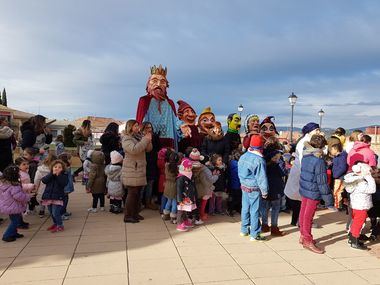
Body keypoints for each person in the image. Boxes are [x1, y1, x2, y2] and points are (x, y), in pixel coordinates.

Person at [299, 135, 332, 254]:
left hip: (305, 188)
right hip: (313, 191)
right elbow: (322, 182)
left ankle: (303, 236)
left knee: (303, 213)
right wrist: (329, 200)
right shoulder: (319, 160)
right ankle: (307, 239)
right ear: (322, 146)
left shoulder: (306, 155)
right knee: (308, 216)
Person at [284, 122, 321, 226]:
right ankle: (301, 221)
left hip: (301, 171)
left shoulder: (307, 140)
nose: (318, 132)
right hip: (302, 171)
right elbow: (303, 159)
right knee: (302, 199)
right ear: (310, 131)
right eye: (316, 130)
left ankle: (298, 221)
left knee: (300, 199)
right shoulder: (305, 142)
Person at [238, 134, 268, 241]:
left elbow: (239, 172)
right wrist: (265, 191)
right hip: (254, 188)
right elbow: (261, 178)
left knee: (245, 208)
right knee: (255, 210)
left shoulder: (243, 156)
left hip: (244, 186)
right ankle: (255, 234)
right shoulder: (259, 160)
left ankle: (244, 229)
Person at [121, 120, 152, 223]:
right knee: (132, 193)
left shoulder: (138, 137)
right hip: (132, 169)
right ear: (130, 127)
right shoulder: (126, 138)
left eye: (138, 125)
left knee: (138, 193)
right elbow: (134, 150)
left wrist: (148, 140)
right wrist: (144, 140)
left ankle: (135, 213)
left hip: (139, 169)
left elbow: (148, 149)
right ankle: (128, 215)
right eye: (135, 125)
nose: (138, 127)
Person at [344, 163, 376, 250]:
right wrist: (369, 177)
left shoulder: (355, 181)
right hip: (361, 206)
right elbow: (372, 189)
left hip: (356, 205)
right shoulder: (361, 183)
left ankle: (352, 238)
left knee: (355, 222)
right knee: (358, 223)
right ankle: (355, 241)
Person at [0, 165, 31, 242]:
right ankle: (7, 235)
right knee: (15, 221)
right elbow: (19, 196)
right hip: (14, 206)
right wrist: (28, 197)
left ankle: (14, 233)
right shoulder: (14, 186)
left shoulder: (3, 184)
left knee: (14, 219)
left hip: (7, 206)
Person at [260, 148, 286, 236]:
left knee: (265, 208)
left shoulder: (263, 165)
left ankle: (264, 225)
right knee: (275, 209)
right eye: (277, 157)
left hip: (265, 189)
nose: (278, 159)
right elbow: (283, 173)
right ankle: (274, 227)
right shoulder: (276, 165)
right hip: (276, 190)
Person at [191, 148, 218, 221]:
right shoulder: (204, 169)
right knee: (203, 202)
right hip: (203, 188)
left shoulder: (190, 166)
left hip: (193, 188)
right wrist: (216, 176)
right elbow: (211, 179)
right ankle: (201, 215)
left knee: (196, 202)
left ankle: (194, 216)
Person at [41, 160, 69, 233]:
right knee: (51, 212)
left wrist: (58, 175)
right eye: (55, 167)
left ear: (62, 169)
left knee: (55, 212)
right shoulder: (50, 175)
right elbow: (44, 180)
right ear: (52, 168)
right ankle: (55, 223)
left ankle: (60, 225)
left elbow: (63, 183)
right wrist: (51, 175)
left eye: (59, 167)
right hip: (48, 197)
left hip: (58, 197)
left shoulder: (64, 175)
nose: (57, 168)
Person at [141, 122, 160, 210]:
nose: (149, 129)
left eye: (150, 127)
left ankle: (148, 202)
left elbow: (158, 148)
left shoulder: (155, 136)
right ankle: (140, 203)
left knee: (150, 183)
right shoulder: (140, 137)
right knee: (142, 185)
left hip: (152, 162)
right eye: (147, 127)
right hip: (143, 162)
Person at [176, 158, 197, 232]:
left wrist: (194, 194)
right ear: (183, 168)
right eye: (187, 168)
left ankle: (185, 221)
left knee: (186, 210)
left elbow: (192, 186)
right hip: (183, 197)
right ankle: (179, 223)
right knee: (181, 210)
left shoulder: (190, 175)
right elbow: (179, 189)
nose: (189, 169)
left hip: (188, 196)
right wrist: (179, 199)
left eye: (190, 167)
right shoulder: (181, 177)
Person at [34, 153, 57, 217]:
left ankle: (42, 210)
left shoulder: (40, 170)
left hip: (42, 187)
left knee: (42, 199)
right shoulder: (54, 169)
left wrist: (36, 188)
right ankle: (52, 211)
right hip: (52, 187)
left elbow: (36, 179)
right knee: (51, 200)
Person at [162, 151, 180, 223]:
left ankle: (166, 214)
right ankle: (173, 217)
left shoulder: (166, 166)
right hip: (174, 186)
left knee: (169, 200)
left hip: (167, 185)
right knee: (174, 202)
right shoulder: (177, 168)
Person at [329, 142, 348, 210]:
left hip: (340, 177)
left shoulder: (341, 157)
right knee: (338, 191)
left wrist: (336, 175)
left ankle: (338, 206)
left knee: (337, 192)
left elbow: (343, 168)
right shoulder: (337, 157)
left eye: (332, 149)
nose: (331, 151)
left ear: (336, 149)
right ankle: (339, 205)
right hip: (337, 177)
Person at [57, 153, 74, 220]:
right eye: (70, 159)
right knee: (64, 200)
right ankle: (61, 213)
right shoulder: (64, 168)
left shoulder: (66, 167)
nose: (71, 161)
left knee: (65, 199)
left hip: (66, 186)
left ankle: (64, 211)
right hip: (65, 187)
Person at [227, 150, 242, 217]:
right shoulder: (237, 164)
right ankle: (231, 209)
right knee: (236, 198)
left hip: (232, 184)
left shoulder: (231, 163)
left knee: (233, 198)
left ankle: (232, 209)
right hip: (237, 184)